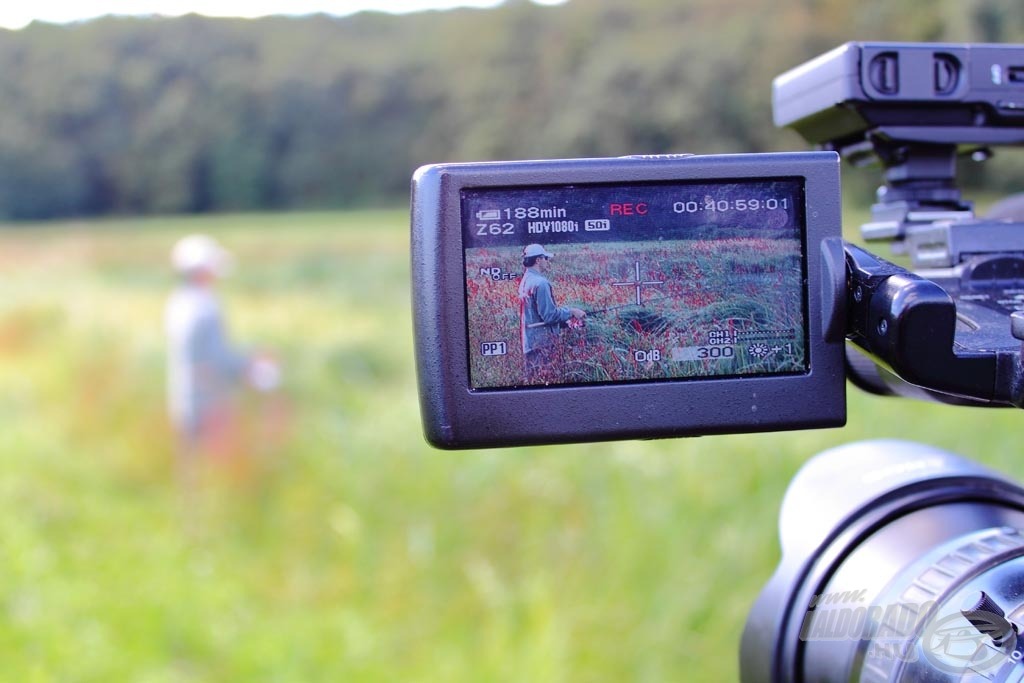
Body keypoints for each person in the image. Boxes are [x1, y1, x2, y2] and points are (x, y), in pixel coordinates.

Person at [165, 234, 279, 459]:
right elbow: (217, 358)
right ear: (202, 270)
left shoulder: (178, 302)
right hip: (208, 400)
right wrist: (251, 362)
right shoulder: (204, 308)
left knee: (190, 462)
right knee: (211, 465)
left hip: (184, 397)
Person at [518, 243, 585, 380]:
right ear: (538, 260)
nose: (547, 262)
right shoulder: (541, 283)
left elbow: (536, 315)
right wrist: (572, 312)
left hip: (530, 343)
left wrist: (565, 323)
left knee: (533, 383)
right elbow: (549, 316)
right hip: (543, 345)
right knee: (546, 381)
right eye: (546, 258)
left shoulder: (526, 280)